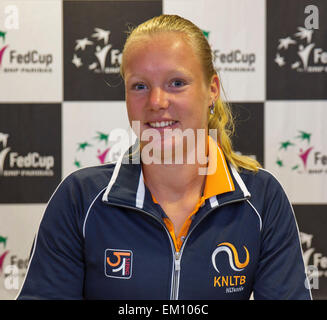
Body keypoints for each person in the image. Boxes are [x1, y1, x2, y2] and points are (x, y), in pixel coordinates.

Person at [17, 14, 312, 300]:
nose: (156, 102)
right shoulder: (79, 199)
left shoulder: (262, 199)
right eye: (140, 86)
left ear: (212, 90)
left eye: (176, 83)